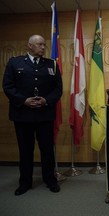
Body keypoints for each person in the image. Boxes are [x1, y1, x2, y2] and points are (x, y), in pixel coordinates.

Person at [2, 35, 63, 196]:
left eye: (44, 45)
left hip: (45, 115)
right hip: (23, 115)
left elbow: (58, 89)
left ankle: (50, 180)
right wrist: (24, 100)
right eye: (39, 44)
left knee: (47, 150)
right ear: (29, 46)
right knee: (25, 150)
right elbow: (7, 86)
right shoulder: (15, 63)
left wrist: (46, 100)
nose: (43, 47)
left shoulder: (52, 65)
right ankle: (25, 183)